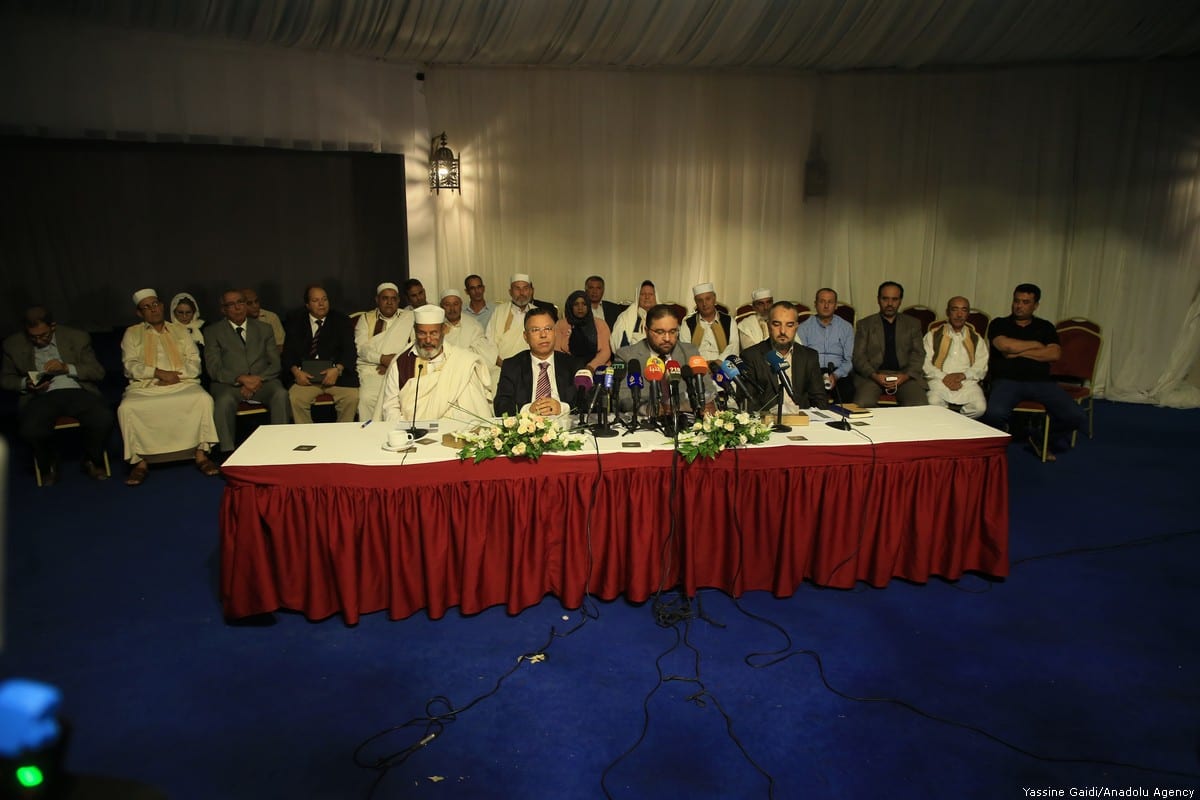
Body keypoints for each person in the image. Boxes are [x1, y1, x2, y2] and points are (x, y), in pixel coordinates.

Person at [117, 289, 220, 485]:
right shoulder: (132, 333)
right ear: (140, 313)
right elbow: (129, 365)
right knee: (126, 408)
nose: (153, 310)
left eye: (155, 304)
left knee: (203, 400)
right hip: (146, 385)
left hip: (181, 382)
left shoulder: (180, 330)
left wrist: (174, 376)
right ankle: (140, 463)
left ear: (162, 306)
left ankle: (200, 454)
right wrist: (157, 373)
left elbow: (194, 361)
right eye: (147, 307)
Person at [1, 306, 113, 484]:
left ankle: (92, 459)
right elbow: (5, 379)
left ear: (53, 326)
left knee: (103, 418)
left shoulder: (77, 338)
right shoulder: (12, 345)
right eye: (33, 337)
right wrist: (25, 384)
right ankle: (48, 463)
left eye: (43, 335)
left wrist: (67, 367)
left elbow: (97, 372)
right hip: (40, 396)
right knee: (30, 429)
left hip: (75, 389)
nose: (38, 340)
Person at [982, 283, 1087, 458]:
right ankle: (997, 447)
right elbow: (1005, 345)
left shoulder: (1045, 327)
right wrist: (1037, 346)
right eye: (1016, 301)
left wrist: (1017, 352)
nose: (1019, 306)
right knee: (994, 414)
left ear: (1035, 305)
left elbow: (1054, 353)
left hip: (1041, 382)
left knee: (1076, 416)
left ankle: (1041, 438)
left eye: (1025, 302)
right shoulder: (999, 323)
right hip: (1007, 381)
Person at [205, 289, 290, 456]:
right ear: (223, 309)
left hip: (262, 382)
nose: (238, 307)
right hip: (229, 384)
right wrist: (240, 379)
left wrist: (257, 379)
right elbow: (214, 368)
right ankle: (227, 452)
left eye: (241, 302)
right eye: (231, 304)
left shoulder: (264, 328)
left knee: (280, 393)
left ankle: (281, 447)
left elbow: (275, 363)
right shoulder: (212, 332)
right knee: (223, 401)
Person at [376, 305, 493, 423]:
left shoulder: (462, 362)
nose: (428, 340)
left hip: (454, 431)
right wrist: (405, 430)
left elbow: (473, 407)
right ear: (415, 331)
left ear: (443, 330)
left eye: (433, 333)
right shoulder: (401, 363)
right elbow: (391, 407)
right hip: (413, 433)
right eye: (422, 334)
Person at [615, 304, 715, 414]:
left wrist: (705, 403)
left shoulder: (689, 352)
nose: (667, 338)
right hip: (647, 424)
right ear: (646, 330)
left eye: (673, 332)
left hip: (685, 420)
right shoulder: (627, 355)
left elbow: (709, 390)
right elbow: (621, 397)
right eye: (660, 332)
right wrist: (645, 408)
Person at [282, 284, 359, 423]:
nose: (321, 304)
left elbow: (350, 351)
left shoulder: (341, 320)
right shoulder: (295, 321)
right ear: (307, 304)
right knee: (295, 398)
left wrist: (338, 369)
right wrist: (296, 372)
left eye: (324, 299)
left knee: (351, 397)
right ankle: (307, 438)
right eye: (315, 300)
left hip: (337, 377)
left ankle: (343, 436)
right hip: (306, 378)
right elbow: (287, 353)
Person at [739, 301, 828, 413]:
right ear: (768, 326)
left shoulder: (809, 356)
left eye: (789, 325)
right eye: (777, 324)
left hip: (802, 421)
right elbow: (748, 403)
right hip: (768, 423)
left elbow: (820, 400)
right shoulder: (751, 356)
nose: (783, 331)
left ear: (796, 327)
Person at [495, 307, 584, 417]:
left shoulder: (573, 365)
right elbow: (500, 406)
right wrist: (527, 411)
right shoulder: (512, 366)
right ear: (525, 336)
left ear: (555, 332)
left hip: (565, 426)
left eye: (548, 328)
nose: (543, 335)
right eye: (535, 330)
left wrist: (563, 408)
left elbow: (587, 402)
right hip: (527, 430)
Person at [852, 281, 928, 407]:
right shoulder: (865, 324)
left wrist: (905, 376)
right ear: (878, 300)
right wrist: (875, 376)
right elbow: (858, 356)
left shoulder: (913, 324)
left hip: (904, 376)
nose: (890, 304)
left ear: (900, 301)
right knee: (861, 404)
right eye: (885, 299)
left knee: (919, 405)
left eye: (894, 299)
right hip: (873, 376)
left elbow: (918, 354)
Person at [353, 282, 414, 422]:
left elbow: (414, 345)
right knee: (367, 399)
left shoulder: (409, 317)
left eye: (393, 299)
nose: (389, 302)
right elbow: (361, 349)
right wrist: (382, 359)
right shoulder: (366, 319)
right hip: (374, 369)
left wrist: (392, 363)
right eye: (385, 298)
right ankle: (369, 436)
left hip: (402, 368)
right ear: (377, 300)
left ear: (398, 300)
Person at [923, 296, 989, 418]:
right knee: (933, 402)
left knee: (979, 407)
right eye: (955, 309)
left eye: (964, 310)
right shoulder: (933, 335)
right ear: (948, 312)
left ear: (968, 314)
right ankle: (946, 428)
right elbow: (925, 363)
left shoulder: (976, 338)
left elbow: (981, 365)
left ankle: (958, 426)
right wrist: (945, 377)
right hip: (939, 380)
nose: (959, 314)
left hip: (966, 382)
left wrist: (963, 376)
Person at [485, 273, 557, 368]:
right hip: (501, 367)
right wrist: (502, 364)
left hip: (534, 367)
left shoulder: (539, 313)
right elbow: (489, 341)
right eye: (517, 288)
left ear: (531, 291)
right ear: (510, 292)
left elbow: (547, 340)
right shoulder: (500, 311)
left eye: (525, 288)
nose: (522, 292)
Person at [797, 287, 855, 400]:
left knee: (847, 392)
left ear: (836, 305)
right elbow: (801, 359)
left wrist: (836, 375)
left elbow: (848, 360)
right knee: (812, 395)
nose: (826, 306)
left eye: (830, 302)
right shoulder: (804, 328)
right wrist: (815, 376)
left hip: (838, 371)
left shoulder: (846, 327)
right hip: (813, 371)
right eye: (822, 301)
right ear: (815, 304)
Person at [554, 290, 612, 372]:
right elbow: (557, 351)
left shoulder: (600, 324)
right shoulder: (561, 325)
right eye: (576, 304)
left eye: (584, 304)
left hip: (597, 369)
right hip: (568, 369)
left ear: (588, 306)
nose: (580, 308)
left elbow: (606, 352)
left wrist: (591, 367)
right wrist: (573, 368)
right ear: (570, 306)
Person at [683, 281, 739, 363]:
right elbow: (685, 349)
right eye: (700, 300)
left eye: (708, 299)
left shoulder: (729, 320)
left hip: (723, 366)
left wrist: (718, 362)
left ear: (714, 298)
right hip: (697, 367)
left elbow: (733, 346)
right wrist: (701, 363)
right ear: (695, 302)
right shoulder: (687, 323)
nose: (704, 304)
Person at [440, 288, 496, 366]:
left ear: (461, 304)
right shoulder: (437, 327)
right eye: (447, 305)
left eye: (455, 304)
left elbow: (483, 354)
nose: (452, 309)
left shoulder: (474, 325)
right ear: (441, 306)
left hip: (469, 367)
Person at [609, 280, 657, 352]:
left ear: (655, 297)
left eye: (650, 294)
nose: (647, 297)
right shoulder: (625, 317)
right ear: (638, 297)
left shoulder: (664, 317)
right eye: (643, 294)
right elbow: (620, 344)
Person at [241, 288, 285, 352]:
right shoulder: (236, 320)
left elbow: (280, 346)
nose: (255, 306)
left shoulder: (271, 317)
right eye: (249, 303)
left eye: (256, 301)